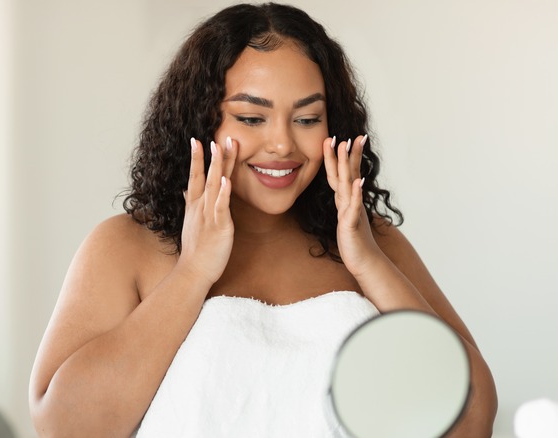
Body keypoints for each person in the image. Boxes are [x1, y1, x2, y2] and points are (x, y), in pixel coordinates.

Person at [29, 3, 498, 437]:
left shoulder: (374, 243)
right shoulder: (127, 248)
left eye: (307, 119)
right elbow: (64, 428)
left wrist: (369, 262)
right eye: (252, 118)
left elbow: (473, 420)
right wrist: (192, 272)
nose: (282, 145)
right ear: (201, 121)